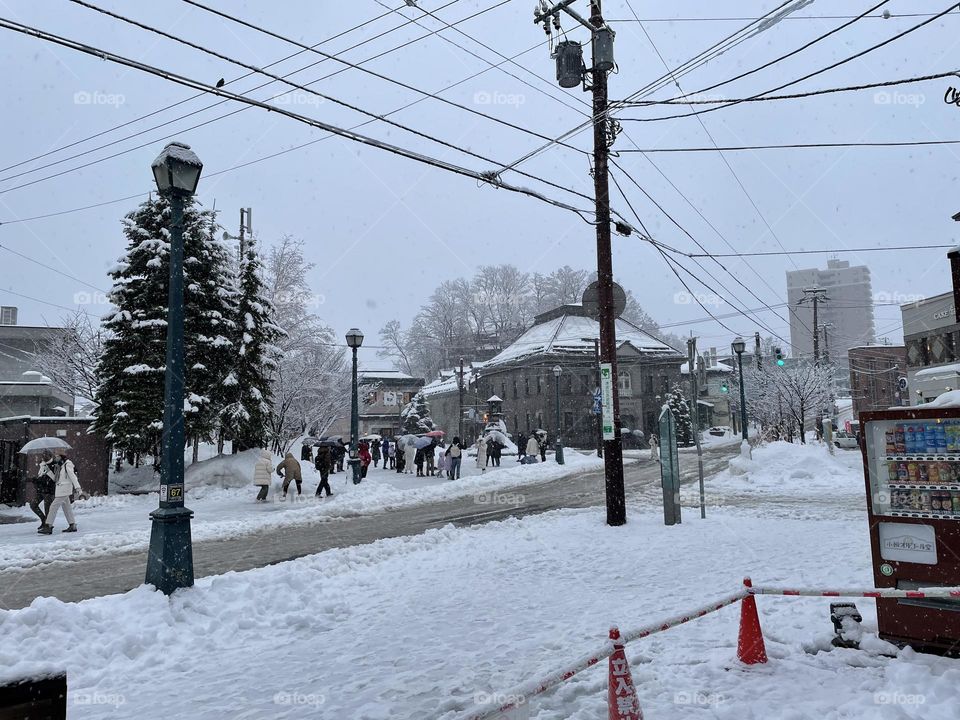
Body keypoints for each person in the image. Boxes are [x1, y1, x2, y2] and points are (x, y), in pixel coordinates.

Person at [38, 451, 83, 534]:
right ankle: (72, 525)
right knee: (67, 508)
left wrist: (78, 488)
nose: (56, 457)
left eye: (57, 456)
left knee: (53, 507)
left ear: (61, 456)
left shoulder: (67, 464)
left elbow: (73, 477)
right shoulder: (59, 466)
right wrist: (47, 470)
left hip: (65, 489)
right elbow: (56, 479)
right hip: (60, 489)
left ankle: (48, 526)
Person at [28, 450, 56, 529]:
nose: (43, 457)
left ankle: (48, 526)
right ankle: (44, 520)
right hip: (40, 490)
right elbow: (40, 476)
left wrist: (36, 480)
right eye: (43, 455)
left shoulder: (53, 465)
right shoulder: (42, 465)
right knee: (33, 505)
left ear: (50, 456)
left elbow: (53, 479)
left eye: (45, 455)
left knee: (47, 509)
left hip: (48, 491)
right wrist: (34, 479)